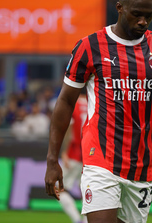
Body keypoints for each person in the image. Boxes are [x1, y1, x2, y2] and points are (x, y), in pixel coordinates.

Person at [45, 0, 152, 223]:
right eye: (136, 14)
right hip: (100, 159)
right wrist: (52, 159)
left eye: (149, 16)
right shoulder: (90, 47)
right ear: (120, 8)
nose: (143, 21)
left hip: (142, 166)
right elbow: (66, 101)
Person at [59, 93, 88, 223]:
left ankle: (77, 220)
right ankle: (86, 220)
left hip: (74, 153)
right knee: (88, 192)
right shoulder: (94, 101)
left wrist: (64, 151)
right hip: (90, 155)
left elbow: (69, 131)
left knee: (59, 189)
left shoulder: (73, 104)